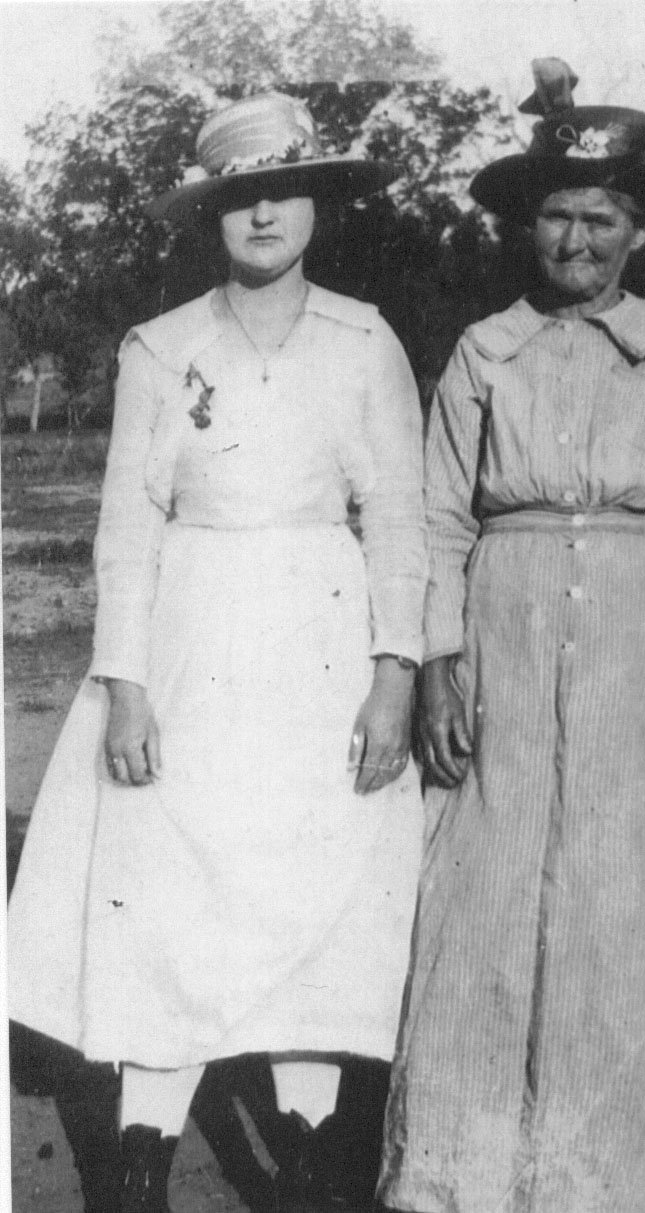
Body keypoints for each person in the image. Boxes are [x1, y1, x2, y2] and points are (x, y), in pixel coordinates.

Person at [7, 91, 427, 1212]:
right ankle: (142, 1166)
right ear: (211, 214)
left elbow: (396, 516)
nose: (263, 214)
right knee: (175, 896)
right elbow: (128, 530)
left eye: (285, 189)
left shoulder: (364, 339)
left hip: (326, 646)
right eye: (240, 195)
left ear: (318, 206)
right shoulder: (163, 347)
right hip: (193, 641)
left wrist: (396, 674)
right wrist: (128, 686)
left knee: (315, 890)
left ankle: (310, 1163)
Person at [379, 59, 645, 1213]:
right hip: (504, 634)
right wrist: (438, 664)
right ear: (523, 226)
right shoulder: (485, 351)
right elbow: (437, 519)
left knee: (622, 898)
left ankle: (632, 1176)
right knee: (488, 894)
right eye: (555, 217)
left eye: (599, 220)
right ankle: (468, 1177)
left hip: (638, 650)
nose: (574, 242)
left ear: (640, 229)